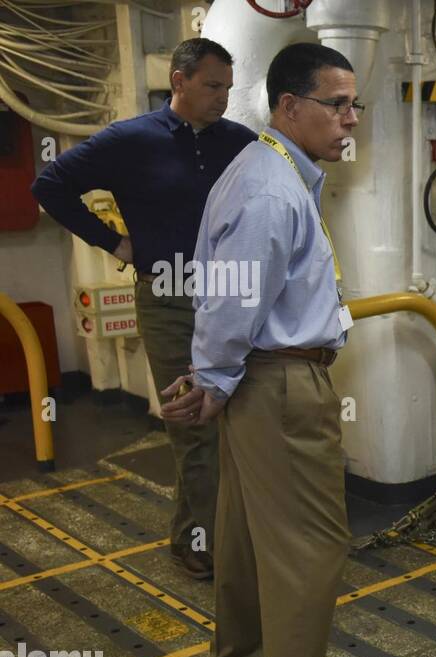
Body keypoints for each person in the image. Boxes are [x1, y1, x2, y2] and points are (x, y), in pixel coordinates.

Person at [161, 42, 391, 657]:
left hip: (258, 380)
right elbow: (234, 299)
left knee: (244, 534)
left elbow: (228, 290)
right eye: (337, 104)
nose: (350, 118)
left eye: (355, 104)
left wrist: (214, 375)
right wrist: (216, 379)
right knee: (310, 550)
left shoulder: (272, 172)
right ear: (288, 107)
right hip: (281, 385)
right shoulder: (270, 189)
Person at [32, 38, 256, 580]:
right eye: (211, 86)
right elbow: (50, 184)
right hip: (170, 299)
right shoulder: (130, 139)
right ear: (178, 81)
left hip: (233, 293)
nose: (223, 98)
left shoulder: (241, 142)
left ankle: (234, 535)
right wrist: (116, 244)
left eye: (228, 87)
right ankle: (197, 543)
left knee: (242, 420)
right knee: (193, 422)